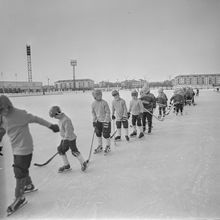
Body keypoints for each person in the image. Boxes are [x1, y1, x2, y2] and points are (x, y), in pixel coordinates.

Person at [0, 95, 59, 215]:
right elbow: (2, 129)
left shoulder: (20, 114)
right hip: (16, 148)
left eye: (2, 109)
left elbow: (36, 119)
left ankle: (19, 198)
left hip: (25, 148)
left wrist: (51, 126)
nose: (2, 112)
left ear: (8, 106)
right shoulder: (2, 117)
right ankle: (28, 185)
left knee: (19, 171)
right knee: (21, 169)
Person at [49, 106, 88, 173]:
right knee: (60, 149)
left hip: (70, 139)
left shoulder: (66, 120)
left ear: (57, 113)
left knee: (74, 151)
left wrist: (65, 140)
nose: (54, 118)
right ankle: (66, 165)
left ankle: (83, 163)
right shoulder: (60, 119)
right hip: (65, 138)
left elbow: (69, 131)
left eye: (54, 116)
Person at [91, 89, 111, 154]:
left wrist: (106, 121)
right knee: (98, 133)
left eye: (100, 94)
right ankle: (100, 146)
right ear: (94, 96)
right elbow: (93, 113)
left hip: (106, 121)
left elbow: (108, 112)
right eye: (97, 95)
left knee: (106, 134)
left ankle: (108, 146)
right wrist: (94, 121)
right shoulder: (93, 104)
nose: (100, 96)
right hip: (98, 121)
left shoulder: (104, 102)